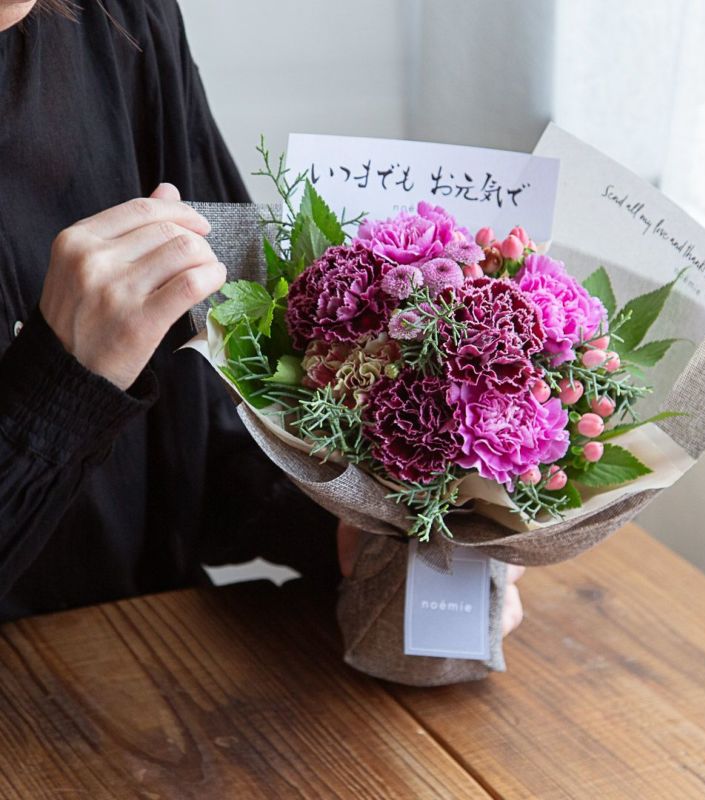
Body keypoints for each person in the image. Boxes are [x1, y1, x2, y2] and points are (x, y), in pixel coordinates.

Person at [0, 0, 523, 633]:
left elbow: (225, 422)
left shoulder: (120, 20)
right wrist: (61, 386)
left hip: (155, 654)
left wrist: (362, 525)